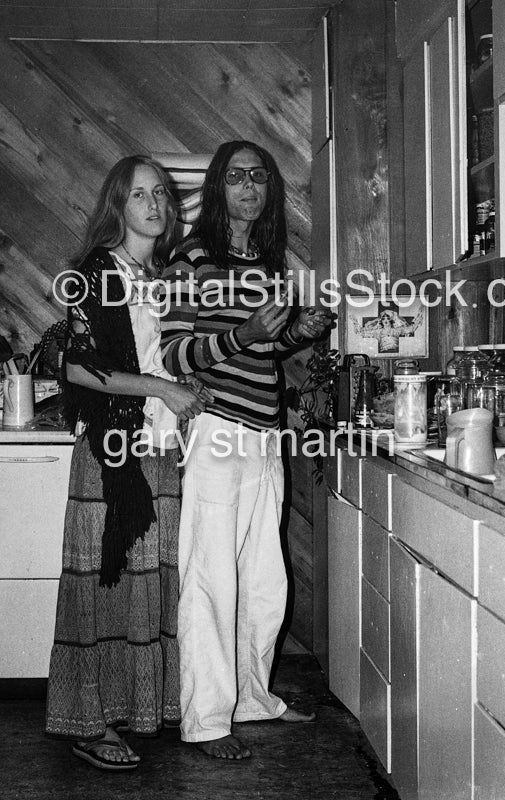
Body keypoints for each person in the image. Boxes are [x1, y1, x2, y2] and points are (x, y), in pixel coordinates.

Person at [160, 140, 332, 760]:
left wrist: (293, 333)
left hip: (264, 434)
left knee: (264, 579)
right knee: (210, 577)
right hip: (215, 432)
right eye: (236, 177)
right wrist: (248, 331)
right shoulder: (192, 259)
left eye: (258, 177)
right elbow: (177, 356)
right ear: (217, 188)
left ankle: (251, 698)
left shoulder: (267, 261)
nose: (249, 187)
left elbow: (265, 350)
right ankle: (205, 719)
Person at [45, 155, 206, 771]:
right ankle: (89, 723)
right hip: (114, 452)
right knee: (103, 586)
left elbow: (162, 357)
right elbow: (78, 367)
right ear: (118, 204)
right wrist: (163, 391)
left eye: (162, 192)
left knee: (148, 584)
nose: (154, 203)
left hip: (160, 448)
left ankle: (137, 711)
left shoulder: (156, 274)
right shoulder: (98, 272)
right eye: (140, 193)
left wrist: (186, 393)